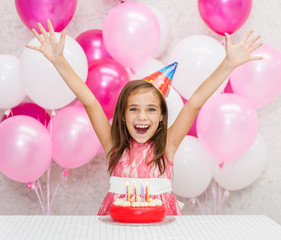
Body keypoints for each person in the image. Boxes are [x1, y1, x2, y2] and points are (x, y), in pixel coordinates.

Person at [27, 19, 263, 215]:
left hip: (160, 228)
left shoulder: (167, 147)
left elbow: (195, 102)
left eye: (151, 109)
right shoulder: (114, 147)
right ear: (121, 116)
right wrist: (59, 61)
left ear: (162, 117)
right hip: (119, 227)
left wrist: (228, 64)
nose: (142, 116)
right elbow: (89, 101)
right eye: (133, 109)